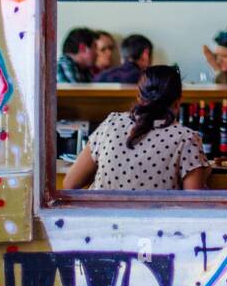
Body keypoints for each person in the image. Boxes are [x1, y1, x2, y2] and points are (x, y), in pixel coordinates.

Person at [63, 65, 209, 192]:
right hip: (154, 223)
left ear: (139, 98)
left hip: (101, 221)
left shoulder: (112, 123)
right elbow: (193, 205)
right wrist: (203, 171)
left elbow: (70, 183)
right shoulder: (187, 139)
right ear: (177, 103)